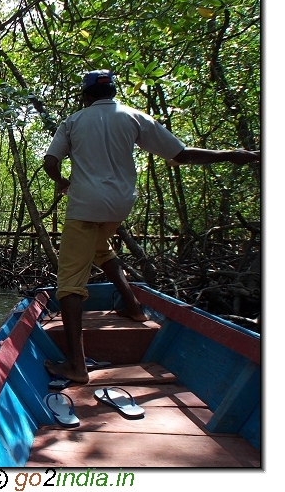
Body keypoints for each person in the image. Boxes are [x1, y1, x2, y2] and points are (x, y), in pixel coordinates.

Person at [42, 69, 260, 384]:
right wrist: (230, 155)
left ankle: (76, 365)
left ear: (85, 96)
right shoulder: (133, 117)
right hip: (120, 203)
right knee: (101, 248)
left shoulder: (73, 121)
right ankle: (134, 307)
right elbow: (180, 154)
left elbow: (50, 162)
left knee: (70, 282)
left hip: (85, 205)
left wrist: (62, 181)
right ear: (113, 92)